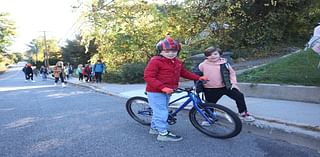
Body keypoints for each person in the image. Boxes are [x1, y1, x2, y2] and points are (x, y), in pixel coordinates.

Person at [144, 37, 208, 142]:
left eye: (174, 51)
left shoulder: (177, 62)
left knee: (160, 110)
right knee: (162, 112)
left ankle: (154, 128)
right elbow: (148, 77)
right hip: (155, 91)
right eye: (167, 51)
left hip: (168, 90)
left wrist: (198, 77)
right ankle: (163, 134)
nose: (170, 53)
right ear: (160, 51)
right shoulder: (156, 61)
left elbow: (184, 73)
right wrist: (162, 87)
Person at [198, 47, 255, 122]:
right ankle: (210, 117)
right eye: (209, 55)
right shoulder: (202, 65)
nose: (213, 56)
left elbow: (232, 73)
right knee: (210, 104)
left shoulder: (225, 64)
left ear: (220, 54)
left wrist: (234, 83)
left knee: (239, 96)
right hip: (210, 89)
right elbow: (197, 75)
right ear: (206, 56)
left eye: (215, 54)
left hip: (226, 87)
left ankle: (243, 114)